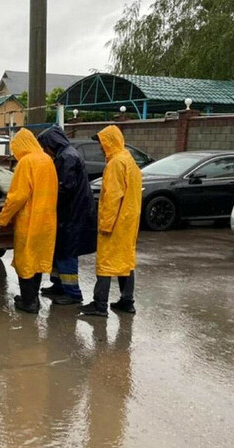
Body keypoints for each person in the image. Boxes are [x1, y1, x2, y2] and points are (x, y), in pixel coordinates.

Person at [79, 125, 142, 317]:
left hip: (115, 222)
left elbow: (113, 197)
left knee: (106, 263)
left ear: (110, 142)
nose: (100, 147)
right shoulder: (129, 160)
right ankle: (127, 301)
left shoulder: (115, 164)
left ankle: (100, 305)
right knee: (125, 261)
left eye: (102, 143)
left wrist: (105, 224)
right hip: (128, 221)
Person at [0, 129, 58, 314]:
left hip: (29, 220)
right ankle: (32, 298)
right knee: (37, 261)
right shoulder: (47, 160)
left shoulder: (26, 162)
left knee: (25, 262)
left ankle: (29, 302)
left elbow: (17, 196)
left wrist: (3, 218)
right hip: (46, 221)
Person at [36, 125, 97, 305]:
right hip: (69, 213)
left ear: (51, 144)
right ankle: (59, 285)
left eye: (45, 146)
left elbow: (65, 188)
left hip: (73, 214)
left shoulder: (67, 157)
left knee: (67, 252)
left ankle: (73, 293)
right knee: (58, 250)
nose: (45, 151)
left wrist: (46, 198)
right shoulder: (65, 155)